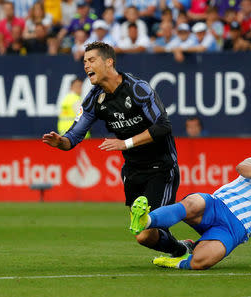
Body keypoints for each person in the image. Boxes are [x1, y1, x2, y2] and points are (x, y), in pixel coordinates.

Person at [42, 41, 191, 258]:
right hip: (133, 171)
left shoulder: (137, 88)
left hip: (162, 168)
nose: (86, 66)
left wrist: (126, 143)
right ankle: (183, 248)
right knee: (146, 234)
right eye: (84, 62)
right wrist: (61, 142)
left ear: (109, 62)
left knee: (145, 234)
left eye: (91, 60)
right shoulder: (95, 99)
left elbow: (163, 126)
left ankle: (186, 246)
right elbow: (74, 136)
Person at [129, 144, 251, 270]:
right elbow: (241, 167)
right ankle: (145, 220)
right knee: (192, 203)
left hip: (234, 229)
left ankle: (179, 256)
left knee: (201, 261)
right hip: (216, 205)